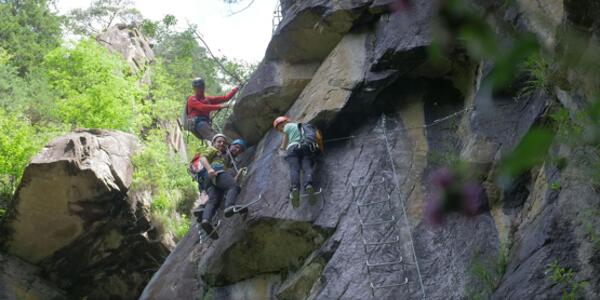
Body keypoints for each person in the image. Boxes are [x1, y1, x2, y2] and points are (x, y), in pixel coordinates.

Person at [196, 134, 242, 238]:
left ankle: (206, 221)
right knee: (234, 187)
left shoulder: (221, 155)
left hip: (210, 181)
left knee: (213, 202)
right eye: (219, 141)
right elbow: (203, 158)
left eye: (224, 143)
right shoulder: (212, 149)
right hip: (216, 172)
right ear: (213, 143)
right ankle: (229, 207)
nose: (222, 143)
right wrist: (209, 169)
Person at [273, 116, 320, 207]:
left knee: (294, 168)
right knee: (307, 167)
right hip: (305, 147)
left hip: (293, 149)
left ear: (281, 125)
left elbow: (284, 144)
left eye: (280, 128)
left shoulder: (287, 127)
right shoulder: (300, 126)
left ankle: (295, 188)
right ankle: (308, 185)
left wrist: (281, 148)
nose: (281, 129)